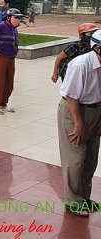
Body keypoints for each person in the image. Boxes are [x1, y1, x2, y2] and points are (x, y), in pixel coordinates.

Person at [57, 30, 101, 217]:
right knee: (75, 159)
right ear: (97, 48)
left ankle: (84, 197)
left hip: (96, 110)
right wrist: (79, 124)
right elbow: (72, 97)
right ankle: (73, 202)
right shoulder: (80, 65)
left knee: (91, 159)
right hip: (74, 110)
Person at [0, 8, 24, 114]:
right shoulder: (1, 26)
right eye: (16, 17)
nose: (18, 20)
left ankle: (3, 103)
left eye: (19, 18)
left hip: (11, 58)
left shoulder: (14, 29)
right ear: (8, 18)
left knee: (9, 83)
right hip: (0, 57)